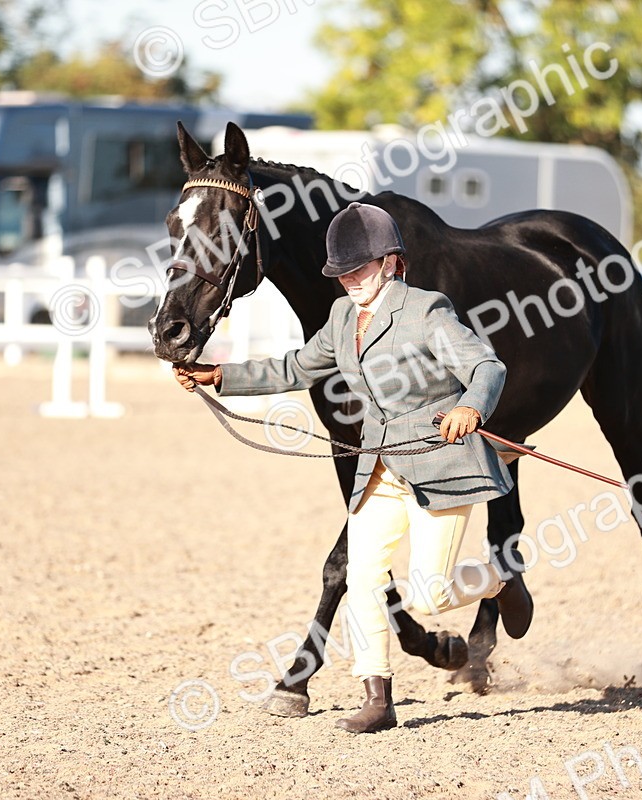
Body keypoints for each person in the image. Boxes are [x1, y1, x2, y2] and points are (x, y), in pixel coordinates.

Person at [173, 201, 533, 734]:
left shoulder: (427, 310)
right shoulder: (342, 318)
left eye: (359, 270)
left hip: (440, 465)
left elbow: (486, 364)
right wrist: (219, 375)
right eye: (341, 274)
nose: (349, 282)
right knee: (364, 577)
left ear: (390, 262)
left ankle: (499, 580)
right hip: (379, 469)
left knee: (433, 592)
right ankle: (378, 698)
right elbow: (296, 366)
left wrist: (470, 407)